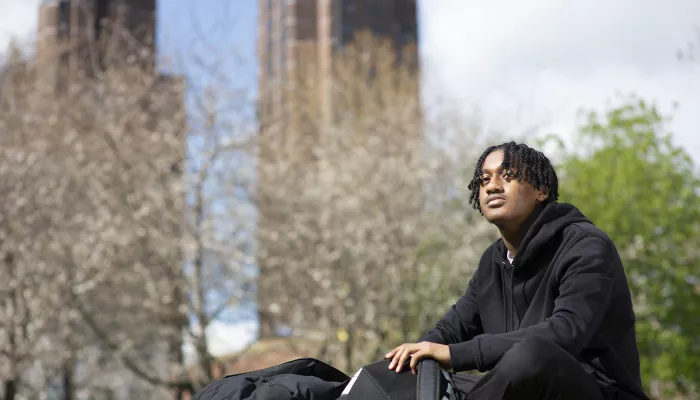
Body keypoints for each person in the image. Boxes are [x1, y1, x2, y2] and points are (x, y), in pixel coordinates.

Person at [385, 142, 650, 400]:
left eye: (508, 176)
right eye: (484, 180)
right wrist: (417, 356)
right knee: (415, 380)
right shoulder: (492, 261)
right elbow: (453, 327)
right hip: (518, 386)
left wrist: (453, 355)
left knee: (532, 354)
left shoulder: (586, 245)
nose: (492, 186)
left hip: (591, 390)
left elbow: (564, 333)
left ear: (541, 190)